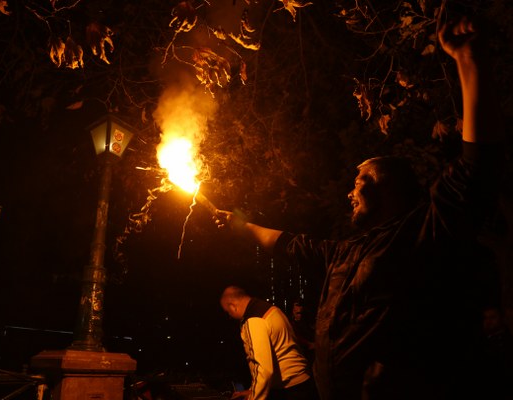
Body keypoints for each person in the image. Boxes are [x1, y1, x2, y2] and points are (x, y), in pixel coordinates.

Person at [214, 14, 505, 400]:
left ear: (392, 188)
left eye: (360, 182)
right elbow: (291, 244)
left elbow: (477, 167)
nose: (350, 193)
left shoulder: (423, 232)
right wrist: (236, 223)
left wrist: (468, 62)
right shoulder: (345, 253)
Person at [219, 286, 316, 400]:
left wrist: (254, 397)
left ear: (232, 306)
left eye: (228, 312)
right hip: (301, 383)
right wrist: (252, 391)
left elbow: (263, 369)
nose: (230, 316)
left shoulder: (254, 320)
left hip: (290, 390)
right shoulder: (270, 310)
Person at [289, 301, 316, 365]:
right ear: (293, 311)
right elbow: (297, 338)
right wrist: (309, 344)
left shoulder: (306, 322)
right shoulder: (291, 325)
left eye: (301, 313)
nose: (300, 315)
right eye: (298, 313)